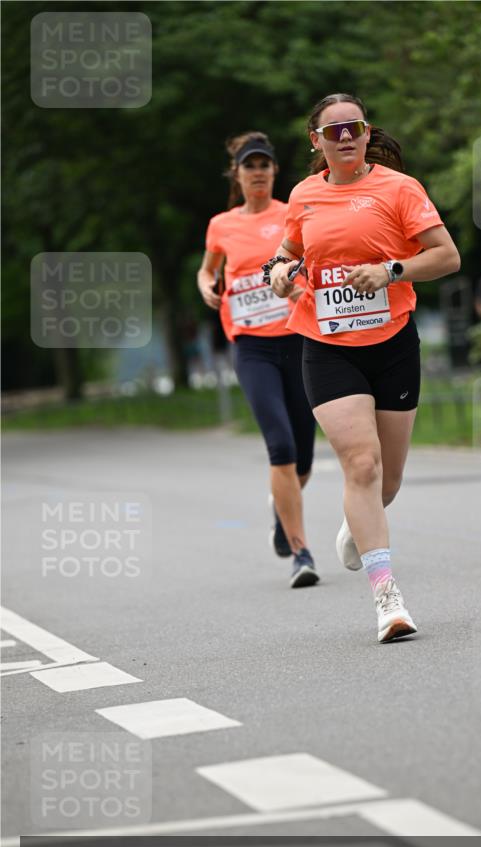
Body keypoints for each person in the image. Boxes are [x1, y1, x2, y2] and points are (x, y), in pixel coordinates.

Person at [265, 94, 460, 641]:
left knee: (388, 480)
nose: (345, 137)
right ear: (316, 141)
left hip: (393, 342)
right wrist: (278, 274)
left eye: (353, 128)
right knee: (363, 466)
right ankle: (387, 599)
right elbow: (284, 255)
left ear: (367, 133)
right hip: (325, 344)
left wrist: (392, 270)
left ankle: (357, 525)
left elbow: (447, 256)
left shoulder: (400, 188)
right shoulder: (303, 195)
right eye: (333, 131)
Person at [197, 132, 318, 588]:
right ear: (238, 174)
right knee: (281, 446)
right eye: (251, 166)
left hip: (298, 338)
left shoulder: (293, 213)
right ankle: (301, 553)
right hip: (252, 347)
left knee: (303, 456)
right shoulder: (221, 225)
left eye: (266, 165)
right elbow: (207, 268)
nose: (259, 173)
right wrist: (207, 286)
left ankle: (280, 509)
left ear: (274, 172)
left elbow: (314, 257)